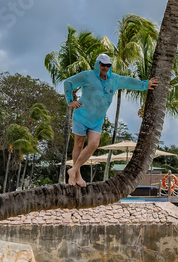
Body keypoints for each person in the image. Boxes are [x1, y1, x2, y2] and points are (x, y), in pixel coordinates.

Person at [63, 53, 158, 187]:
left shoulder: (114, 79)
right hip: (81, 116)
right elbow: (68, 82)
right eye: (103, 65)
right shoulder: (87, 75)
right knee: (78, 144)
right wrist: (70, 101)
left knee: (94, 144)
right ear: (98, 64)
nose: (105, 67)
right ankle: (77, 176)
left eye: (108, 65)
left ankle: (73, 170)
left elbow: (129, 82)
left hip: (97, 120)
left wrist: (145, 85)